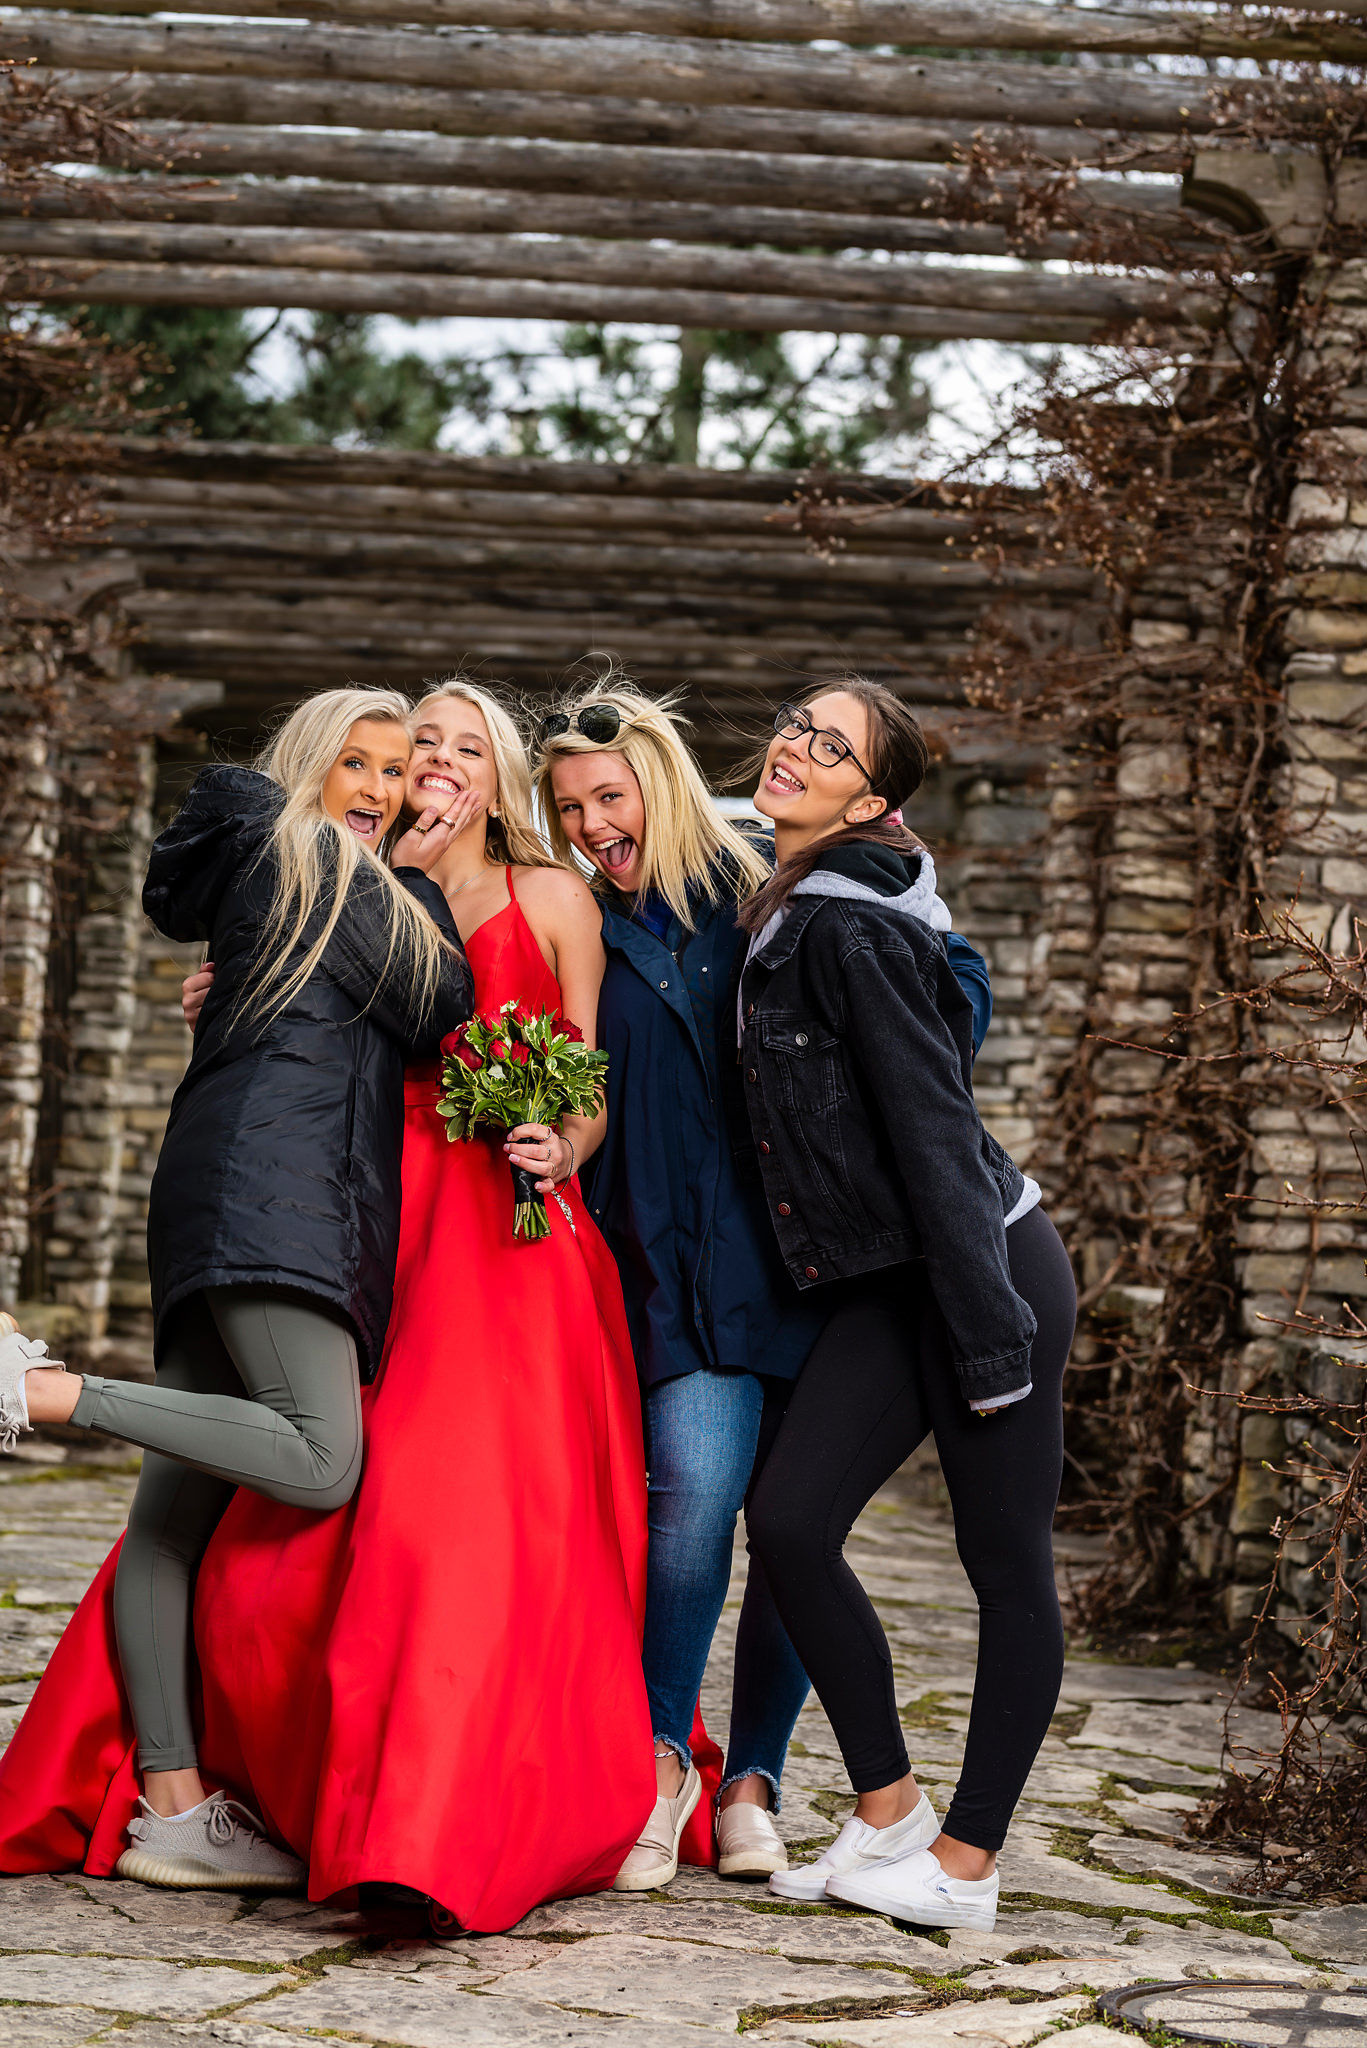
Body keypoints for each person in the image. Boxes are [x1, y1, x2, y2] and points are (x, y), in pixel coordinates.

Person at [0, 675, 658, 1935]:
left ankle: (214, 1803)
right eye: (418, 748)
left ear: (500, 777)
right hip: (342, 1204)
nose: (433, 765)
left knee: (433, 1516)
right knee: (319, 1476)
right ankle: (285, 1783)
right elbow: (367, 980)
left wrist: (561, 1144)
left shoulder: (537, 893)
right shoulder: (338, 872)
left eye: (466, 748)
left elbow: (575, 1070)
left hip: (448, 1216)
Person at [0, 686, 474, 1890]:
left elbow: (409, 1013)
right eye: (352, 762)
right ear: (307, 767)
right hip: (282, 1193)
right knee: (322, 1455)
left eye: (393, 768)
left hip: (227, 1183)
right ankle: (52, 1393)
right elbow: (445, 1006)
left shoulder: (301, 886)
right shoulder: (316, 859)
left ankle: (170, 1798)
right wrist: (411, 874)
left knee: (172, 1517)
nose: (375, 789)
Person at [533, 674, 996, 1894]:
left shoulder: (763, 887)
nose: (589, 825)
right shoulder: (574, 924)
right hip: (668, 1261)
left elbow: (948, 971)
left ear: (658, 786)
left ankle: (756, 1775)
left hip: (804, 1259)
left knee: (794, 1527)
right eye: (568, 807)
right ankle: (657, 1759)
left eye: (607, 797)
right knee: (687, 1499)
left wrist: (907, 1073)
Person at [732, 679, 1076, 1934]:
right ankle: (885, 1812)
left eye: (832, 748)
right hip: (892, 1277)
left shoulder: (851, 928)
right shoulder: (791, 900)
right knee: (789, 1516)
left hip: (980, 1262)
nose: (795, 748)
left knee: (1003, 1568)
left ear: (868, 799)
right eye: (794, 724)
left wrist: (989, 1334)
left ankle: (964, 1864)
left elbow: (935, 1132)